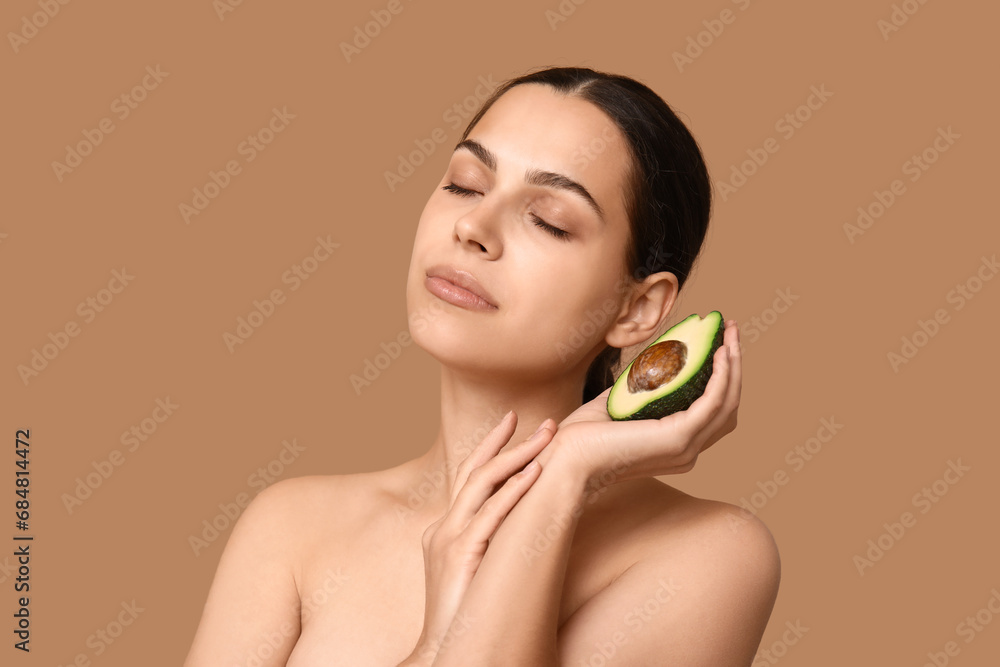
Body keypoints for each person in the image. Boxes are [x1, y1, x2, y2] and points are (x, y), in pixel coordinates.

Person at [184, 65, 780, 666]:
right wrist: (437, 637)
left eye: (547, 219)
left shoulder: (710, 555)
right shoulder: (291, 529)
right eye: (466, 184)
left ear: (636, 308)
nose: (472, 228)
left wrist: (559, 480)